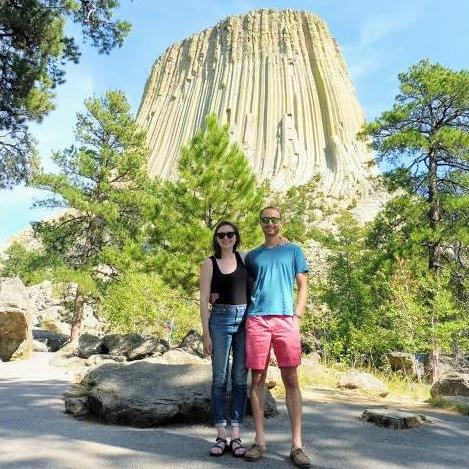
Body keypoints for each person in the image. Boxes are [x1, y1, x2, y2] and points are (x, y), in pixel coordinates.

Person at [244, 206, 311, 468]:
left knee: (291, 378)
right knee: (257, 378)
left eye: (274, 219)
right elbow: (242, 280)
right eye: (265, 219)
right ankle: (260, 442)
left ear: (281, 222)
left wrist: (297, 315)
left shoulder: (293, 250)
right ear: (260, 223)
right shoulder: (253, 256)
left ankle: (297, 445)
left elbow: (303, 284)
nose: (270, 223)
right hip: (257, 319)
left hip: (286, 320)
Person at [199, 220, 249, 457]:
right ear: (216, 239)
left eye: (230, 234)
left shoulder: (245, 258)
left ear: (236, 237)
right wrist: (205, 334)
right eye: (221, 235)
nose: (226, 238)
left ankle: (236, 436)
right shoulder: (209, 263)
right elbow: (203, 301)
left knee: (240, 379)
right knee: (219, 378)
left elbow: (267, 254)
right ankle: (221, 435)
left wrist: (283, 242)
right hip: (219, 320)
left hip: (244, 321)